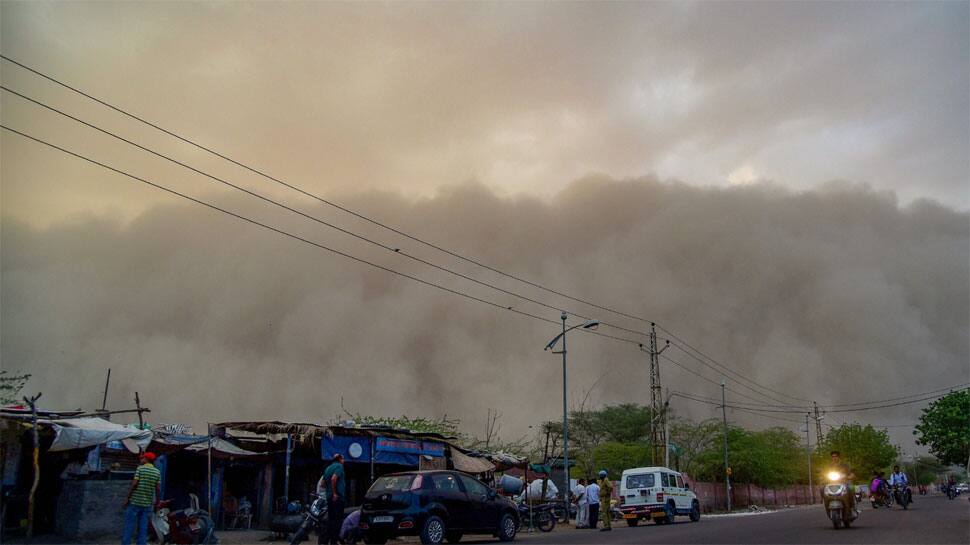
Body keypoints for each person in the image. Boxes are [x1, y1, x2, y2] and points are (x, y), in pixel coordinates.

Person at [122, 452, 161, 545]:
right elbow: (158, 489)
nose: (141, 460)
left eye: (142, 458)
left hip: (135, 502)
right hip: (147, 504)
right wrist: (157, 502)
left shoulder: (140, 469)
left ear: (146, 459)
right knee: (143, 528)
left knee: (129, 526)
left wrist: (127, 498)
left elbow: (134, 484)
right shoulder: (157, 472)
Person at [322, 454, 346, 545]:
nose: (344, 461)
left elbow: (323, 484)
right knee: (337, 521)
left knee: (331, 521)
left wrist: (330, 491)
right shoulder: (339, 466)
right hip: (338, 498)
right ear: (339, 459)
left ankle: (326, 541)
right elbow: (333, 479)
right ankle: (333, 542)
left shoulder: (328, 468)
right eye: (343, 458)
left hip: (329, 498)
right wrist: (335, 493)